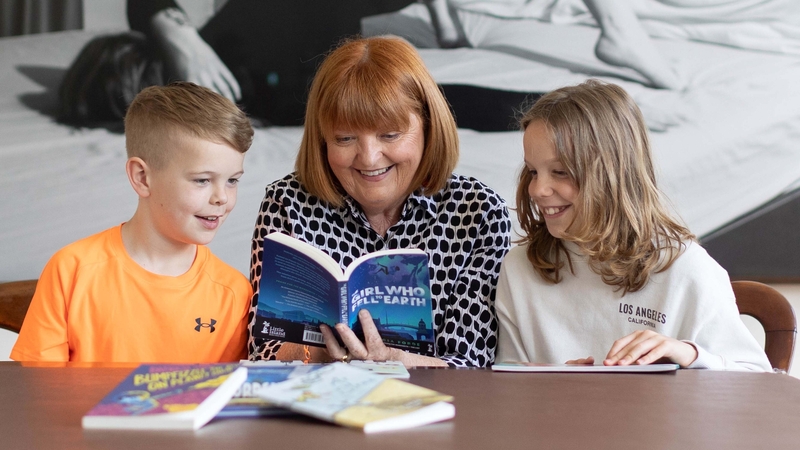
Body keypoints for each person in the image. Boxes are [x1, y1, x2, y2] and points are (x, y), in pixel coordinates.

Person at [248, 36, 512, 368]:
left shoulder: (478, 212)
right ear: (322, 139)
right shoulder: (287, 204)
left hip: (436, 411)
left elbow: (473, 366)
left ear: (428, 127)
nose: (370, 158)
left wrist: (390, 360)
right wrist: (317, 354)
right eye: (345, 138)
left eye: (389, 135)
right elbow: (262, 351)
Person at [495, 80, 771, 371]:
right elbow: (507, 383)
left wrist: (689, 354)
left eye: (560, 172)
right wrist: (555, 382)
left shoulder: (683, 267)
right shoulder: (518, 268)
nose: (538, 189)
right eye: (532, 171)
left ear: (614, 173)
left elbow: (759, 381)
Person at [11, 82, 254, 363]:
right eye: (202, 180)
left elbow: (228, 400)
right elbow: (39, 393)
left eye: (233, 180)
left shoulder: (235, 292)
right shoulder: (71, 270)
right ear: (142, 177)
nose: (222, 198)